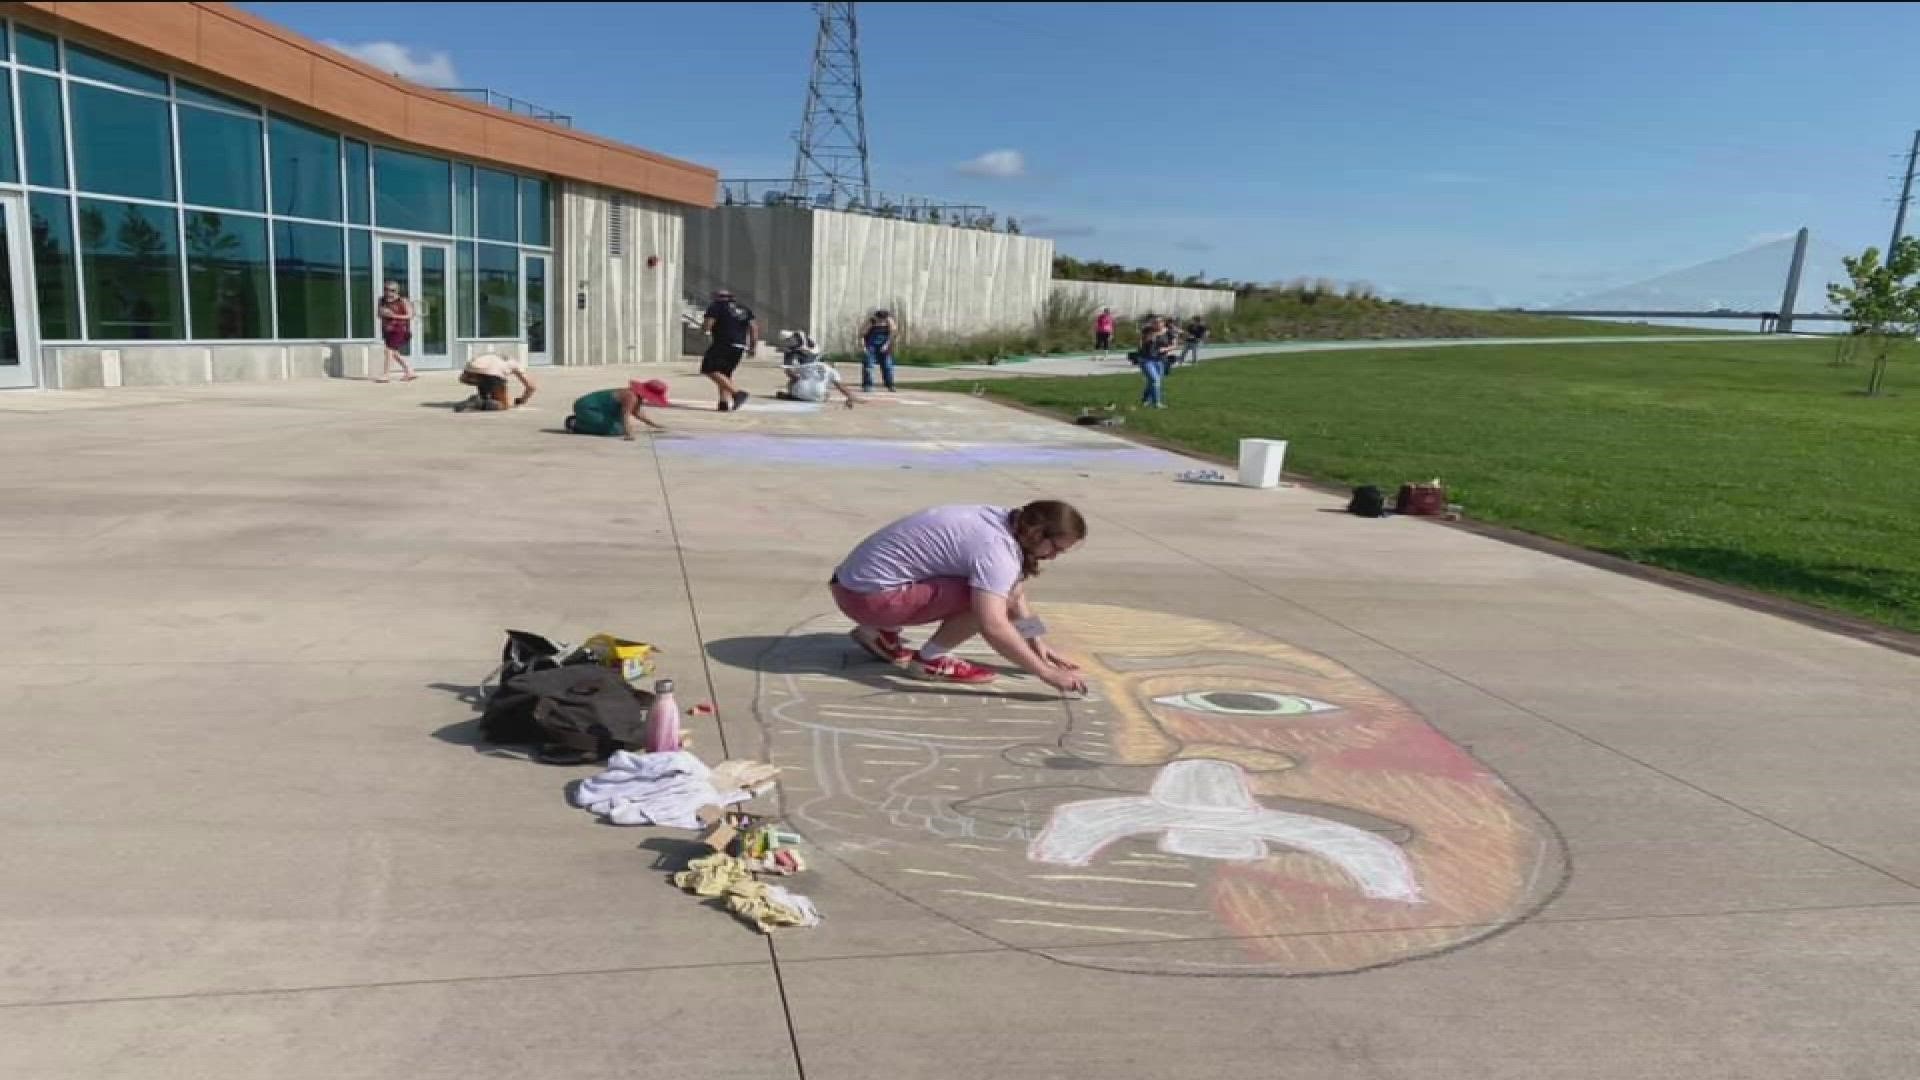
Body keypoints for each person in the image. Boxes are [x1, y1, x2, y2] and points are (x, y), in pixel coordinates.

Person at [830, 500, 1090, 691]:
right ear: (1037, 533)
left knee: (994, 590)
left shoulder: (1000, 519)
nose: (1053, 557)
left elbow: (1016, 592)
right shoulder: (997, 551)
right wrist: (1046, 674)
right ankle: (930, 660)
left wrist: (1038, 643)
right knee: (984, 601)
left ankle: (881, 632)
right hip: (869, 599)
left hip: (849, 586)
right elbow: (993, 624)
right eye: (1055, 548)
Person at [701, 288, 758, 412]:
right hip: (739, 346)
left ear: (717, 297)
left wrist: (704, 329)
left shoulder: (716, 307)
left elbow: (707, 325)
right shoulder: (744, 309)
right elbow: (754, 328)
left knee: (709, 369)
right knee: (725, 373)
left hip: (723, 344)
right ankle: (723, 403)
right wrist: (753, 347)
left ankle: (737, 393)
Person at [565, 380, 666, 440]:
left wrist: (654, 425)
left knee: (619, 427)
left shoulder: (636, 397)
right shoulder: (631, 396)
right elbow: (625, 415)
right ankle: (575, 424)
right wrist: (628, 433)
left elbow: (637, 412)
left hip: (597, 409)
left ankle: (586, 420)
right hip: (587, 407)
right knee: (616, 430)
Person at [456, 352, 537, 411]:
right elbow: (531, 386)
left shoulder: (497, 356)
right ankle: (478, 402)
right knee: (504, 405)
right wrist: (522, 399)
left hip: (467, 374)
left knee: (486, 381)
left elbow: (463, 378)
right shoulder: (516, 364)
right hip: (491, 371)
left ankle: (482, 398)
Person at [779, 353, 861, 408]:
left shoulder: (810, 365)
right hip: (817, 396)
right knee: (827, 394)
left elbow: (788, 371)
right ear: (831, 364)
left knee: (792, 382)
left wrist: (796, 378)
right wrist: (850, 396)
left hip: (800, 392)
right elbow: (841, 387)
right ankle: (805, 396)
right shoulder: (832, 370)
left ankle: (792, 395)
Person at [375, 280, 416, 383]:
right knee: (394, 353)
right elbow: (379, 314)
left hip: (400, 329)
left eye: (392, 290)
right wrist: (384, 313)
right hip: (388, 329)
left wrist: (394, 315)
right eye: (386, 290)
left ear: (397, 291)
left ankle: (386, 375)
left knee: (389, 351)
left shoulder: (403, 301)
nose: (389, 292)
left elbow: (410, 315)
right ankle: (409, 371)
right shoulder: (382, 300)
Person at [1133, 317, 1176, 408]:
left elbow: (1174, 345)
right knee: (1155, 380)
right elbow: (1141, 343)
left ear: (1163, 323)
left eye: (1159, 322)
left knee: (1152, 381)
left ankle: (1145, 399)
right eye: (1154, 322)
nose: (1156, 324)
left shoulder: (1169, 332)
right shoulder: (1147, 331)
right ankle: (1157, 403)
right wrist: (1150, 337)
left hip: (1160, 360)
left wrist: (1165, 349)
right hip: (1146, 359)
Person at [859, 309, 898, 392]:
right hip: (871, 346)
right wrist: (864, 347)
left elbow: (892, 334)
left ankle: (890, 384)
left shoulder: (889, 321)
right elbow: (862, 335)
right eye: (879, 320)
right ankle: (868, 385)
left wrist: (886, 345)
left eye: (883, 320)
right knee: (869, 365)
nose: (881, 322)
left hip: (884, 346)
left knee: (887, 366)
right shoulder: (871, 321)